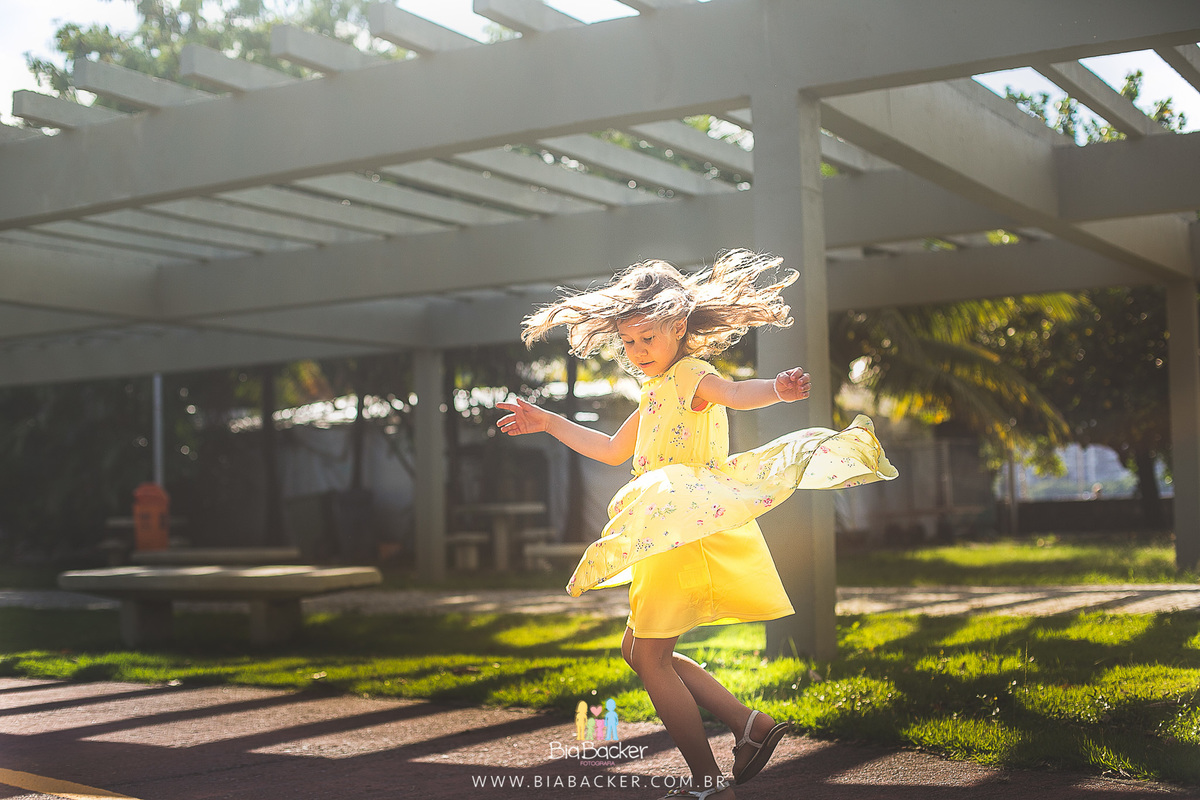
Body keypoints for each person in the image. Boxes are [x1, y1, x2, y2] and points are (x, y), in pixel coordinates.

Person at [496, 249, 897, 800]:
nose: (637, 352)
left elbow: (732, 393)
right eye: (628, 342)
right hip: (662, 525)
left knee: (651, 656)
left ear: (677, 328)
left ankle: (707, 781)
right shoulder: (654, 389)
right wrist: (548, 422)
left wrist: (776, 391)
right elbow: (613, 450)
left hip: (678, 522)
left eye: (647, 339)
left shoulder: (688, 373)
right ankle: (749, 726)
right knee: (639, 652)